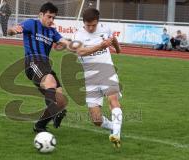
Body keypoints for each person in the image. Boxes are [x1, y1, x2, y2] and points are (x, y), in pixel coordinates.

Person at [7, 2, 112, 133]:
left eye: (53, 18)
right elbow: (10, 31)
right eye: (49, 16)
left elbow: (65, 43)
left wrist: (82, 48)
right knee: (50, 83)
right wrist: (13, 30)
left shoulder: (52, 31)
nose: (51, 20)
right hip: (33, 63)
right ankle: (54, 113)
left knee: (61, 102)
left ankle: (40, 125)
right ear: (41, 14)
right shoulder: (31, 24)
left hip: (45, 66)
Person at [73, 8, 123, 148]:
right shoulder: (78, 35)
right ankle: (114, 126)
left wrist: (118, 49)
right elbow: (81, 52)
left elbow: (113, 39)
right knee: (96, 120)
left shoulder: (105, 28)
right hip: (90, 78)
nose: (90, 28)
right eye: (88, 25)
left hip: (107, 70)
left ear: (98, 22)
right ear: (83, 23)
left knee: (113, 100)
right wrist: (101, 45)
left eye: (93, 25)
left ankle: (116, 135)